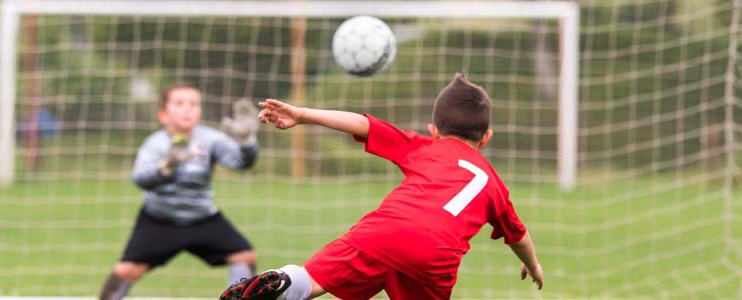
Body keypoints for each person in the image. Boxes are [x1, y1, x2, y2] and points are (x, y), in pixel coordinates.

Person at [221, 73, 542, 300]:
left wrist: (302, 114)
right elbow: (519, 236)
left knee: (315, 279)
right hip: (435, 256)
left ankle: (288, 282)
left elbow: (365, 123)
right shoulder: (493, 184)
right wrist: (533, 266)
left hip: (381, 233)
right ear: (487, 137)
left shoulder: (425, 146)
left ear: (434, 130)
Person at [100, 85, 262, 300]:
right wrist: (167, 167)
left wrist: (247, 142)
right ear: (163, 114)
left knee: (244, 256)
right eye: (179, 104)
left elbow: (242, 163)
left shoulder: (210, 139)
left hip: (203, 218)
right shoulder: (155, 144)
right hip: (159, 220)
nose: (187, 109)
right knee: (126, 271)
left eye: (193, 104)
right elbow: (140, 179)